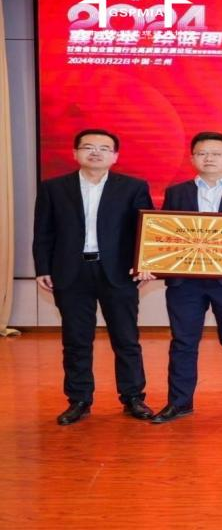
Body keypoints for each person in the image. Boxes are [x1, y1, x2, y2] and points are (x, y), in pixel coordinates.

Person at [33, 129, 154, 425]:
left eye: (104, 148)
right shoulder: (53, 188)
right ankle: (79, 400)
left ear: (115, 156)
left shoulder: (133, 187)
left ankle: (133, 397)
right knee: (76, 340)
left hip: (118, 272)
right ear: (75, 153)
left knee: (126, 339)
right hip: (70, 272)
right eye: (88, 147)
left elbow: (146, 230)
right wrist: (42, 268)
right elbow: (43, 231)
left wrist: (144, 264)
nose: (95, 152)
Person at [150, 131, 222, 423]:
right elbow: (164, 233)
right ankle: (179, 402)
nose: (209, 158)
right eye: (202, 153)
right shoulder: (177, 192)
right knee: (183, 342)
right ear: (192, 158)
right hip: (185, 282)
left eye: (216, 153)